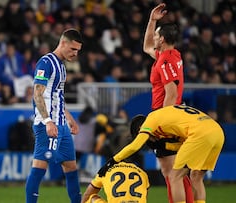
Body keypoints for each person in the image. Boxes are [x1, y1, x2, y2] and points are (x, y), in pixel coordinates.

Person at [99, 105, 224, 203]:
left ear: (140, 129)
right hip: (217, 132)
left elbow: (135, 146)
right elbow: (182, 145)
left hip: (200, 134)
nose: (150, 140)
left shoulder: (149, 121)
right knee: (196, 177)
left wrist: (113, 160)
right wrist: (165, 146)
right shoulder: (165, 117)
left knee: (175, 176)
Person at [25, 28, 83, 203]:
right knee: (39, 168)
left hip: (62, 126)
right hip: (47, 125)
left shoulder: (62, 67)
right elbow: (37, 94)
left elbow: (57, 97)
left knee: (71, 169)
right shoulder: (46, 62)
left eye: (78, 51)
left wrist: (70, 118)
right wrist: (48, 121)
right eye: (73, 49)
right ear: (63, 43)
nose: (75, 54)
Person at [142, 3, 192, 203]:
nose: (154, 38)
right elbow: (146, 46)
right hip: (172, 116)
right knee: (173, 171)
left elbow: (171, 93)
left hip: (167, 118)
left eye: (156, 35)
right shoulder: (171, 55)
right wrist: (152, 21)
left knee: (172, 172)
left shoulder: (164, 61)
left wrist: (162, 123)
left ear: (162, 39)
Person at [81, 161, 149, 203]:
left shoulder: (105, 171)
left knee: (93, 197)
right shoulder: (143, 173)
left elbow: (88, 194)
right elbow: (144, 195)